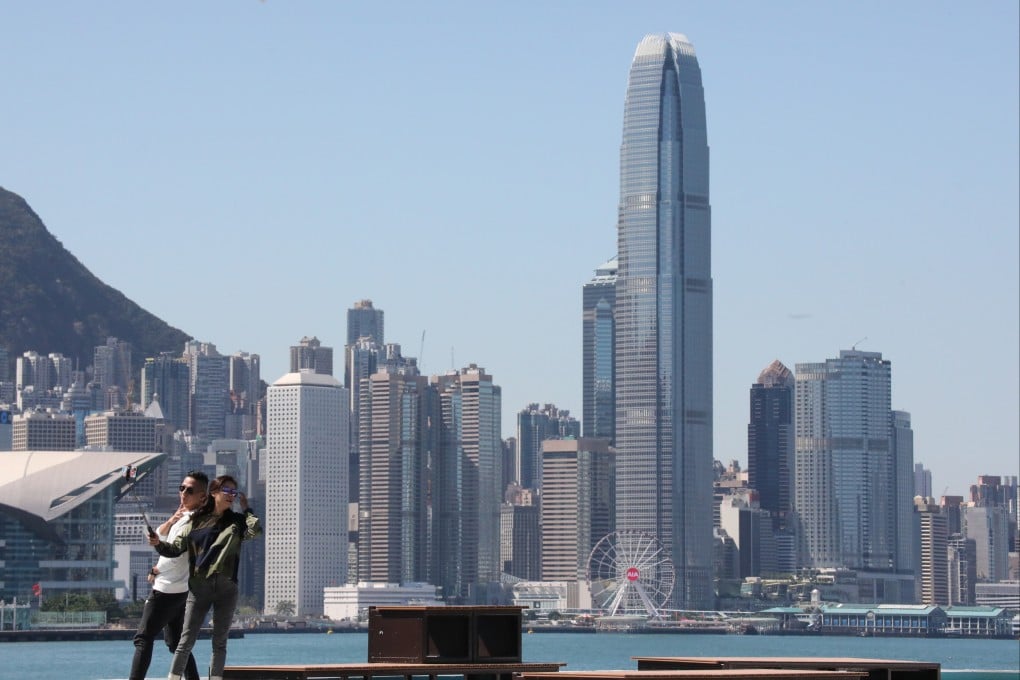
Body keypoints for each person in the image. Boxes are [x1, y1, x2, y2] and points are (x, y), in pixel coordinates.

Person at [150, 474, 261, 680]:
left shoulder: (237, 521)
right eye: (226, 491)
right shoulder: (196, 521)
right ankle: (173, 678)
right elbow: (174, 550)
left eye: (234, 493)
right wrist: (158, 543)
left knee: (220, 642)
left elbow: (256, 531)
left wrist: (247, 510)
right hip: (199, 587)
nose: (231, 496)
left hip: (227, 588)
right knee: (186, 640)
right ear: (213, 492)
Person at [129, 471, 208, 680]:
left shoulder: (192, 523)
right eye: (181, 488)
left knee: (143, 638)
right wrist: (173, 519)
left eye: (189, 490)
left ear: (202, 496)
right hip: (180, 590)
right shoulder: (187, 518)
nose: (183, 493)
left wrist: (157, 569)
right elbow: (161, 534)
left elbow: (174, 553)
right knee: (175, 644)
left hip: (166, 589)